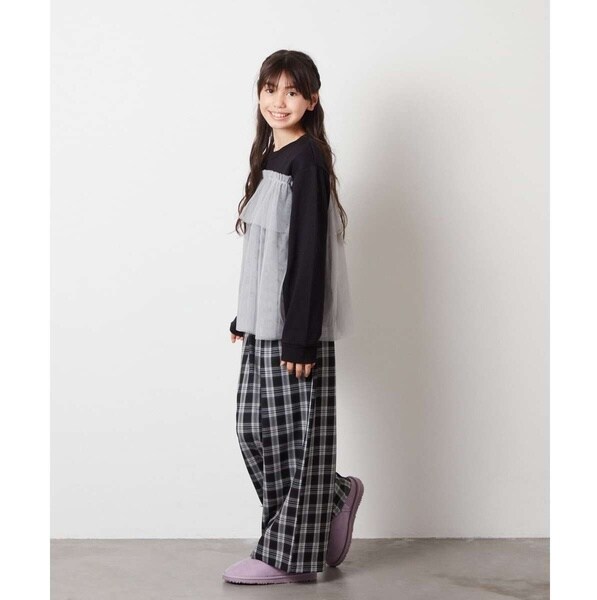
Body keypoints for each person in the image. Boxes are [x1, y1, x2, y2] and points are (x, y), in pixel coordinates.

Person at [222, 49, 364, 585]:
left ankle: (287, 555)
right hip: (264, 324)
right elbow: (268, 252)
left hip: (294, 330)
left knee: (291, 442)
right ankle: (333, 495)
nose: (278, 101)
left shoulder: (308, 159)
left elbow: (308, 255)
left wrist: (301, 338)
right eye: (270, 89)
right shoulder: (271, 156)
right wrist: (244, 314)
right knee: (254, 430)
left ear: (312, 99)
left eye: (292, 91)